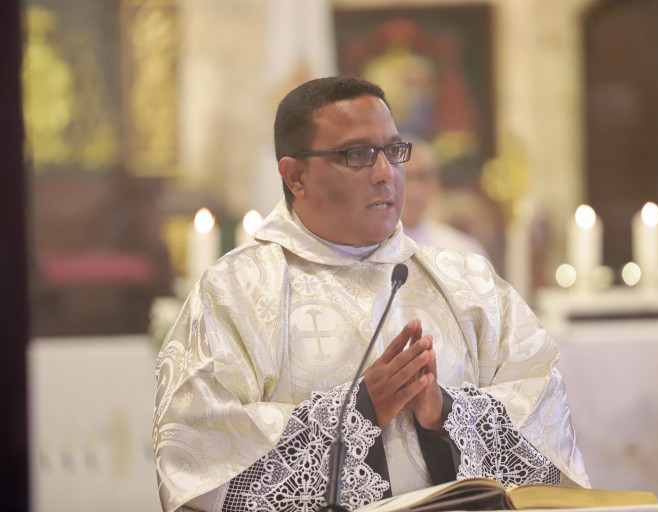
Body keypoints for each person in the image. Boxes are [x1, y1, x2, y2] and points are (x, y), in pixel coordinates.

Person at [154, 76, 589, 512]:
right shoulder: (235, 293)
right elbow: (199, 452)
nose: (386, 174)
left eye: (394, 151)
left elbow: (544, 420)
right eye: (357, 155)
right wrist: (360, 412)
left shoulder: (466, 282)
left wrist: (444, 414)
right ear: (296, 176)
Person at [399, 137, 489, 258]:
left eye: (422, 177)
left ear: (436, 182)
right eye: (405, 178)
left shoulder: (463, 250)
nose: (414, 191)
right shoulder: (374, 250)